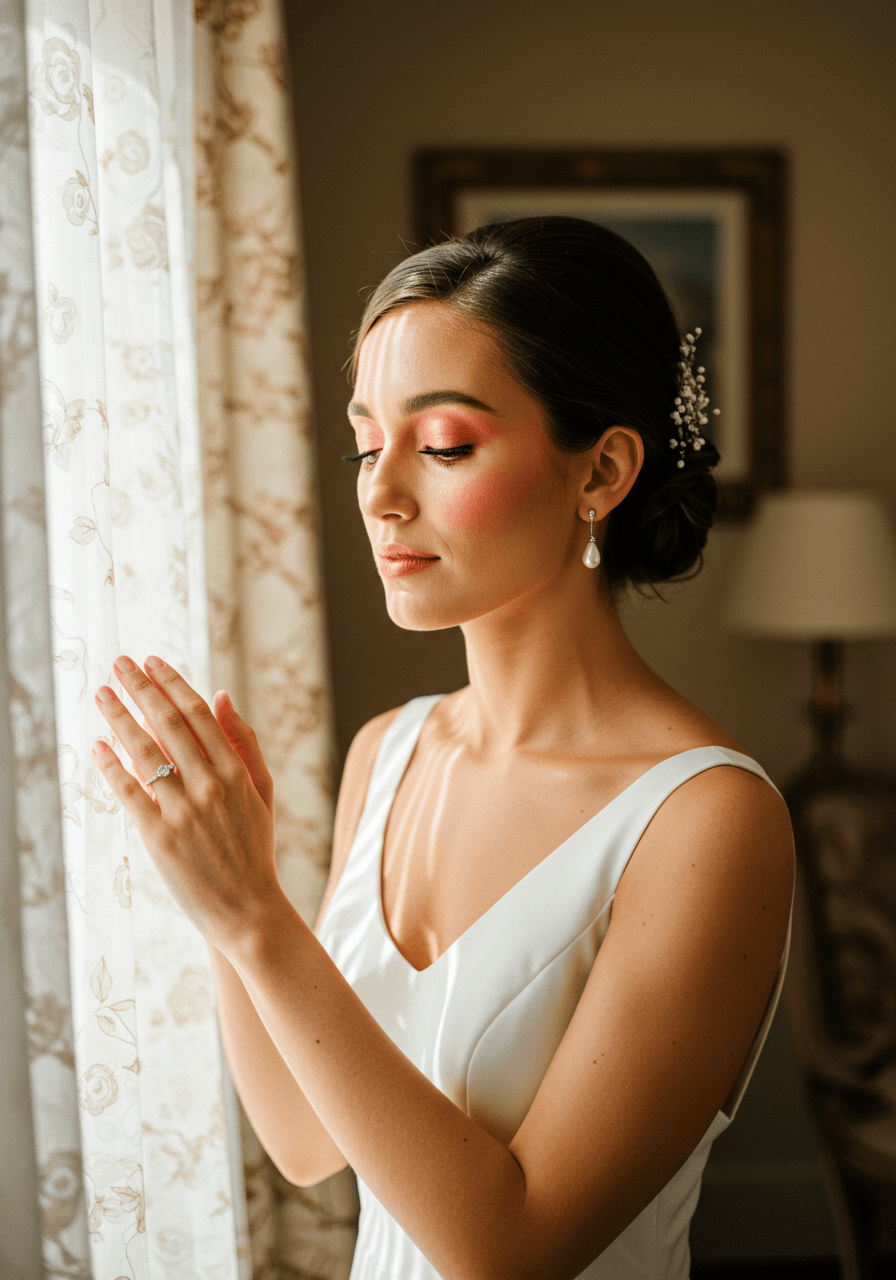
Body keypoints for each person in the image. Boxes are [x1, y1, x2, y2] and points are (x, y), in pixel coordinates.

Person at [93, 217, 795, 1280]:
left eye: (444, 445)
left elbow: (506, 1249)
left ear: (599, 468)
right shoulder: (391, 751)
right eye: (365, 444)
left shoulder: (704, 818)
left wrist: (256, 913)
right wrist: (222, 907)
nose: (379, 493)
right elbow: (303, 1138)